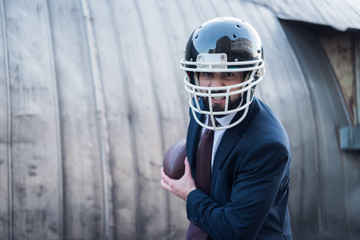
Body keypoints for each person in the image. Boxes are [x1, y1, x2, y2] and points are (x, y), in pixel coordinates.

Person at [160, 17, 292, 240]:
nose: (215, 87)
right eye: (207, 74)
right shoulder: (201, 107)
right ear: (195, 75)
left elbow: (235, 230)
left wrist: (189, 194)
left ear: (249, 75)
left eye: (228, 74)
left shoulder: (267, 146)